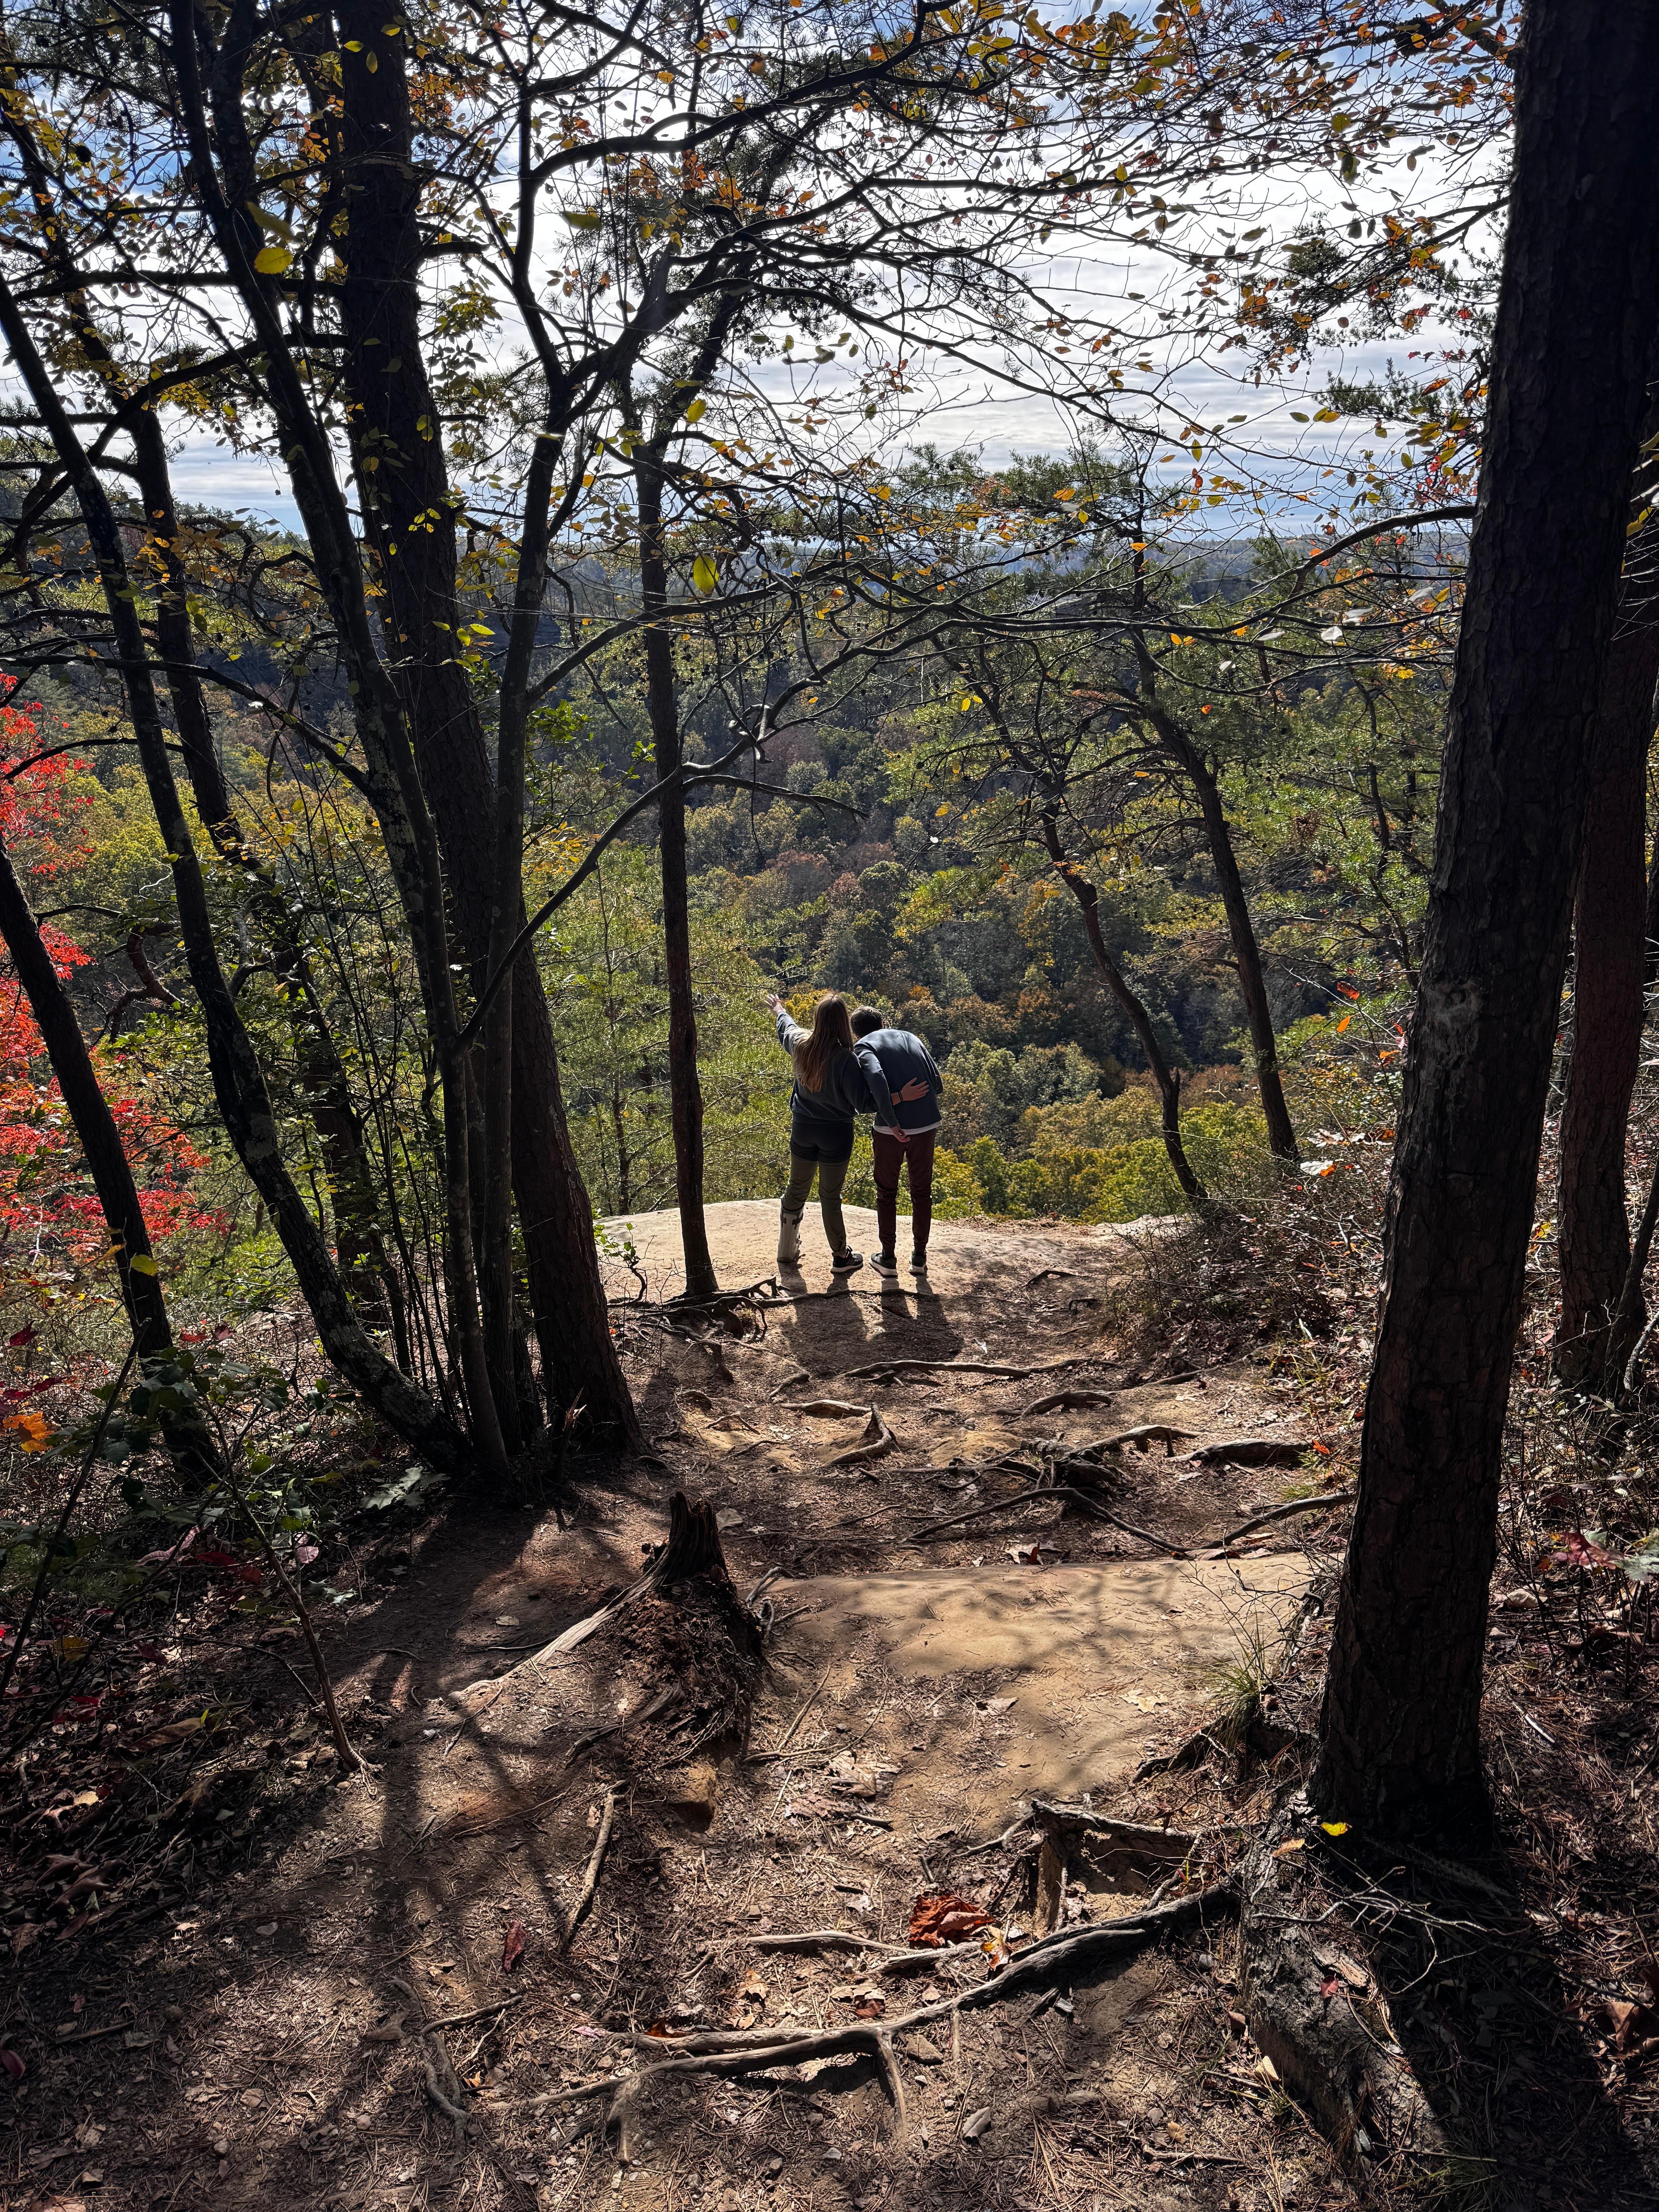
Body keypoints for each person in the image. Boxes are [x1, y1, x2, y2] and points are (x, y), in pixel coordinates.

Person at [763, 990, 921, 1276]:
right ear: (842, 1023)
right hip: (836, 1134)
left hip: (802, 1129)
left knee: (797, 1187)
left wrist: (779, 1009)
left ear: (818, 1019)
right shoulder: (847, 1060)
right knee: (829, 1195)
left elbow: (786, 1027)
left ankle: (786, 1252)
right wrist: (900, 1096)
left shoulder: (800, 1046)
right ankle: (840, 1257)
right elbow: (864, 1104)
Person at [850, 1004, 943, 1280]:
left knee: (887, 1192)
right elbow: (936, 1082)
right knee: (921, 1192)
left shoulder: (863, 1047)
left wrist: (892, 1117)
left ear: (856, 1032)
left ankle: (888, 1258)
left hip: (892, 1131)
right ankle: (919, 1258)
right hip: (927, 1124)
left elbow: (876, 1076)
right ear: (883, 1022)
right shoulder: (910, 1037)